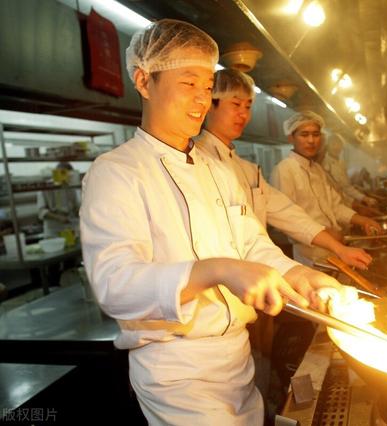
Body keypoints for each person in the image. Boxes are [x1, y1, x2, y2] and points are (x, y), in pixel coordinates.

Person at [80, 19, 339, 425]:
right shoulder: (116, 172)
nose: (202, 100)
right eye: (189, 84)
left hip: (238, 364)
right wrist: (217, 270)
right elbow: (115, 285)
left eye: (207, 86)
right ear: (144, 80)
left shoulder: (217, 171)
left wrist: (299, 275)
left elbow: (252, 245)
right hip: (177, 375)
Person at [196, 68, 372, 270]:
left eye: (248, 106)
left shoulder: (248, 170)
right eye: (236, 104)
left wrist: (339, 248)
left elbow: (287, 213)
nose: (243, 114)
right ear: (210, 104)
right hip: (227, 283)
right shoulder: (196, 162)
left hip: (257, 279)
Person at [271, 111, 383, 265]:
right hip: (311, 256)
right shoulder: (284, 170)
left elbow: (334, 207)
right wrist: (326, 232)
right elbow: (286, 220)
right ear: (291, 138)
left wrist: (362, 220)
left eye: (315, 134)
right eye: (304, 135)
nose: (311, 140)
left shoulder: (317, 169)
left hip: (336, 248)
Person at [321, 134, 382, 217]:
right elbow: (336, 190)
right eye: (333, 144)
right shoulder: (323, 163)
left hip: (345, 204)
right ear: (327, 145)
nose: (336, 147)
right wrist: (357, 203)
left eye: (339, 144)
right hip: (334, 207)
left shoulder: (341, 163)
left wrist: (364, 198)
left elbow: (347, 187)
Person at [37, 162, 80, 238]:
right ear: (56, 173)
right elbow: (41, 211)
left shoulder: (70, 186)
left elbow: (75, 207)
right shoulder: (46, 187)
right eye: (62, 173)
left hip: (69, 226)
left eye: (69, 175)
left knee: (71, 247)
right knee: (55, 247)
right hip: (53, 229)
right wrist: (58, 217)